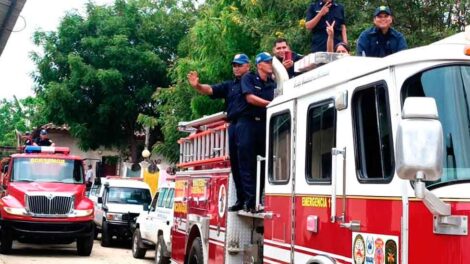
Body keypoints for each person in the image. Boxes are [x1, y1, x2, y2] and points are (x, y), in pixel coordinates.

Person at [187, 53, 251, 212]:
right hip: (233, 124)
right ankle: (241, 199)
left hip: (249, 123)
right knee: (235, 164)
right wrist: (197, 86)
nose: (236, 68)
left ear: (248, 66)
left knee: (247, 163)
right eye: (234, 65)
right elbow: (210, 89)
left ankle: (251, 199)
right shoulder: (230, 85)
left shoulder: (254, 81)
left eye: (239, 65)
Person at [239, 52, 276, 212]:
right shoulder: (248, 78)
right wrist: (271, 104)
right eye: (268, 62)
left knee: (263, 162)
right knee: (248, 164)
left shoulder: (273, 84)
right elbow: (250, 98)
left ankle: (258, 200)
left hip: (264, 125)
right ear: (259, 64)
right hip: (248, 124)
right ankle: (250, 201)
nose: (270, 65)